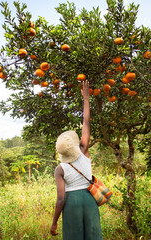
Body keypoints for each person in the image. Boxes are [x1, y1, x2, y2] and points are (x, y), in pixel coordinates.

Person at [50, 80, 103, 240]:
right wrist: (86, 98)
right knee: (93, 235)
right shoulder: (83, 150)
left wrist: (54, 223)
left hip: (71, 203)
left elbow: (60, 199)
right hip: (89, 199)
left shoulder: (59, 169)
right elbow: (86, 122)